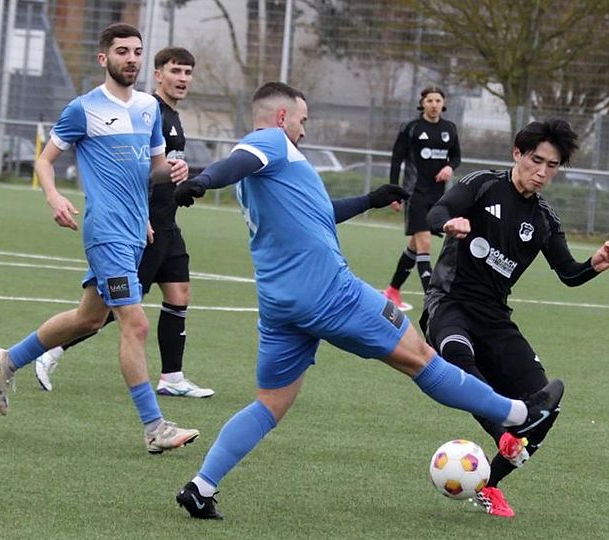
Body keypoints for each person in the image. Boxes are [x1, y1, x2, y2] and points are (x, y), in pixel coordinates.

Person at [170, 82, 565, 520]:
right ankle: (518, 413)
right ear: (283, 117)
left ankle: (201, 487)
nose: (304, 129)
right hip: (329, 293)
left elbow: (318, 210)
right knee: (421, 357)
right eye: (302, 119)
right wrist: (203, 181)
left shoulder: (272, 171)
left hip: (281, 305)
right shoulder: (269, 142)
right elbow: (236, 161)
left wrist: (371, 201)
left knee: (270, 402)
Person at [0, 22, 200, 455]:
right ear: (104, 58)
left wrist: (172, 172)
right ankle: (154, 427)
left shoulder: (148, 109)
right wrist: (54, 197)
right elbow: (45, 161)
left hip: (136, 232)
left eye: (137, 51)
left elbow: (153, 168)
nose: (132, 58)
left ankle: (8, 359)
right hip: (106, 235)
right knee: (134, 324)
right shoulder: (84, 108)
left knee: (88, 318)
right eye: (122, 51)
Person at [419, 118, 609, 518]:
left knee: (546, 408)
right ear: (517, 154)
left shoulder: (544, 219)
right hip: (450, 304)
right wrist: (448, 222)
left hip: (495, 318)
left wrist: (593, 265)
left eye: (552, 165)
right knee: (458, 356)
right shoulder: (482, 186)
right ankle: (504, 433)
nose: (542, 172)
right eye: (536, 160)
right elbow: (436, 211)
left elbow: (568, 274)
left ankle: (489, 484)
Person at [33, 46, 214, 399]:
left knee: (178, 294)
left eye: (188, 73)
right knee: (113, 311)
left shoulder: (168, 116)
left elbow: (157, 170)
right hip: (138, 224)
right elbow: (132, 172)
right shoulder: (145, 112)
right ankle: (52, 348)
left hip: (166, 222)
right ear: (158, 74)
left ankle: (172, 377)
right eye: (175, 71)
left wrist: (184, 176)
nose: (182, 79)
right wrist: (142, 215)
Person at [382, 85, 461, 311]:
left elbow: (456, 156)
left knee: (415, 246)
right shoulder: (411, 127)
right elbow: (396, 160)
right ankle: (432, 298)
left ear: (443, 104)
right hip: (414, 193)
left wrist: (449, 167)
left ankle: (392, 290)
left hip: (437, 197)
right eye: (430, 101)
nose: (434, 104)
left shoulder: (450, 129)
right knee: (424, 243)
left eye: (438, 100)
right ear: (422, 103)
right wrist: (394, 192)